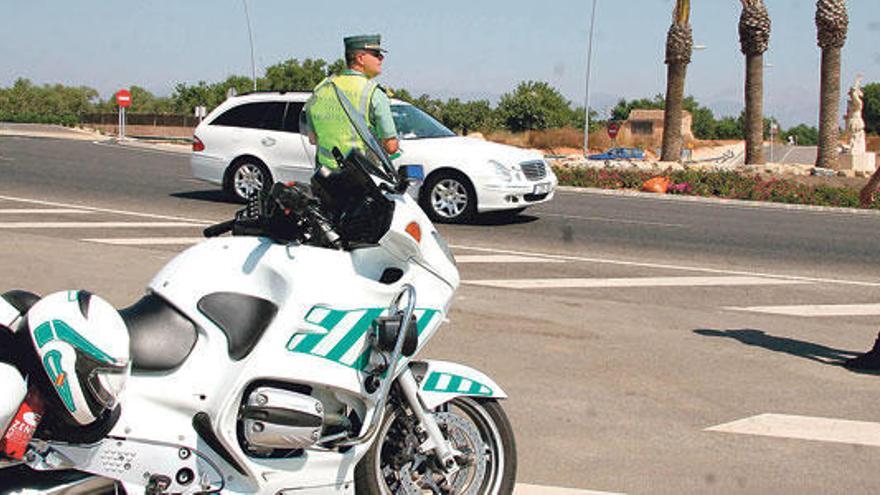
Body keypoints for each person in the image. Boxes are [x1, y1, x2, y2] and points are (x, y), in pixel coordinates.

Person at [303, 34, 399, 170]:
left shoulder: (321, 89)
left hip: (325, 179)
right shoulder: (373, 93)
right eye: (376, 54)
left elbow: (313, 139)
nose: (381, 59)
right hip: (361, 179)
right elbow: (391, 147)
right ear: (360, 58)